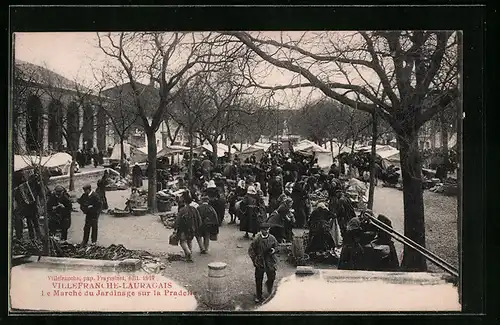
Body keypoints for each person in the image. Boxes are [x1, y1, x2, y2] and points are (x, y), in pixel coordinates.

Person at [248, 223, 279, 304]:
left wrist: (274, 250)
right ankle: (259, 296)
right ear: (261, 230)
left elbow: (277, 246)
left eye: (268, 229)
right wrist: (255, 260)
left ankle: (269, 290)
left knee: (272, 276)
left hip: (270, 260)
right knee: (259, 279)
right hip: (260, 261)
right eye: (265, 230)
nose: (267, 231)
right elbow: (251, 250)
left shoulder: (272, 238)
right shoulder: (257, 239)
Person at [174, 190, 203, 262]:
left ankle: (188, 252)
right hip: (192, 228)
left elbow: (178, 220)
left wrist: (175, 228)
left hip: (183, 228)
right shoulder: (194, 209)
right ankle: (189, 254)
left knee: (182, 241)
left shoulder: (182, 210)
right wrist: (198, 227)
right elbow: (199, 218)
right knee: (189, 240)